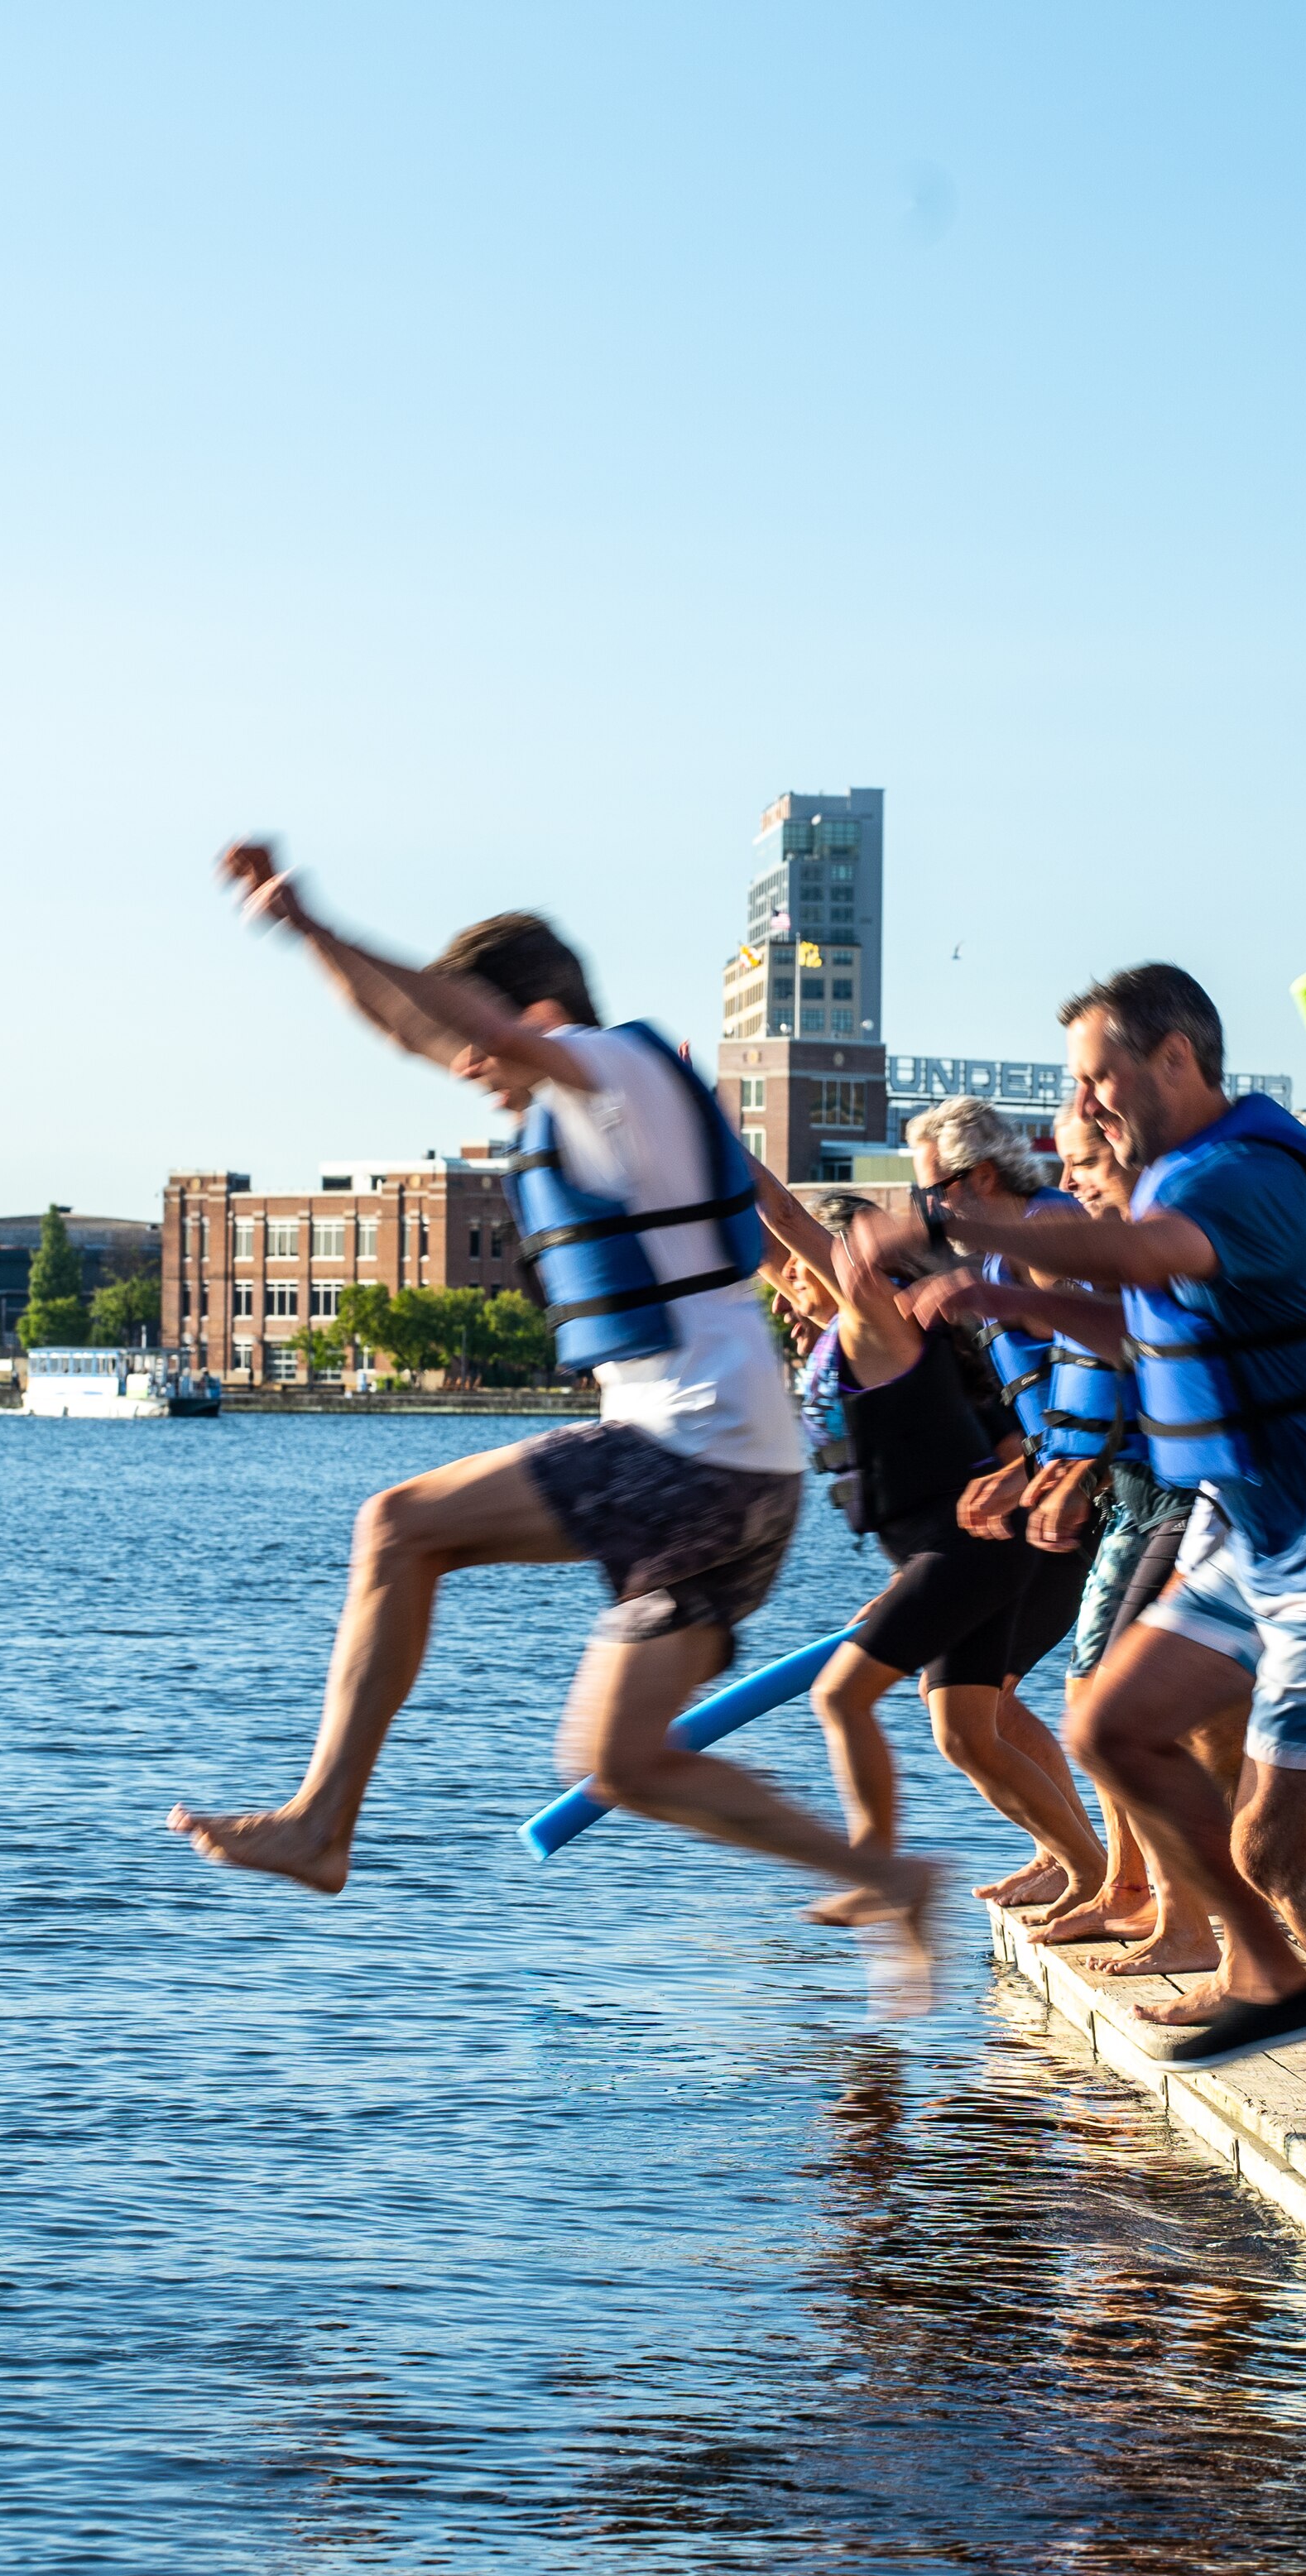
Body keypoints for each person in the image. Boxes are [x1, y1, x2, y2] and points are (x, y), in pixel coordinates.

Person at [168, 846, 939, 2013]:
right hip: (749, 1478)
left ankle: (323, 1823)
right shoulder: (615, 1103)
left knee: (396, 1528)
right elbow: (415, 1027)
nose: (465, 1070)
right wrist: (309, 936)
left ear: (530, 1016)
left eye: (477, 1046)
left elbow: (460, 1027)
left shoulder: (609, 1068)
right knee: (619, 1763)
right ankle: (886, 1879)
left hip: (692, 1450)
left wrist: (315, 915)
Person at [874, 962, 1306, 2171]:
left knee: (1277, 1850)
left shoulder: (1238, 1172)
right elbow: (1143, 1325)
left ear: (1175, 1059)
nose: (1085, 1105)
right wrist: (1000, 1297)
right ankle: (1265, 1969)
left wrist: (961, 1230)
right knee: (1112, 1726)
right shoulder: (1179, 1176)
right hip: (1251, 1522)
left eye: (1099, 1078)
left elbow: (1150, 1254)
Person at [804, 1163, 1112, 1924]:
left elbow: (785, 1222)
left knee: (840, 1695)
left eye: (808, 1267)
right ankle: (1092, 1871)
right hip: (960, 1552)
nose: (788, 1288)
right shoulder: (861, 1333)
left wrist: (704, 1144)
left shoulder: (880, 1323)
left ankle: (879, 1868)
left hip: (974, 1550)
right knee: (965, 1733)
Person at [891, 1100, 1112, 1912]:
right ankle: (1070, 1855)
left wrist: (1042, 1473)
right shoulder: (995, 1253)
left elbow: (1100, 1353)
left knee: (1070, 1705)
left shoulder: (1045, 1231)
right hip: (1056, 1489)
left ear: (981, 1175)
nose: (930, 1209)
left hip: (1093, 1496)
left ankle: (1106, 1872)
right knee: (984, 1695)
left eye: (936, 1191)